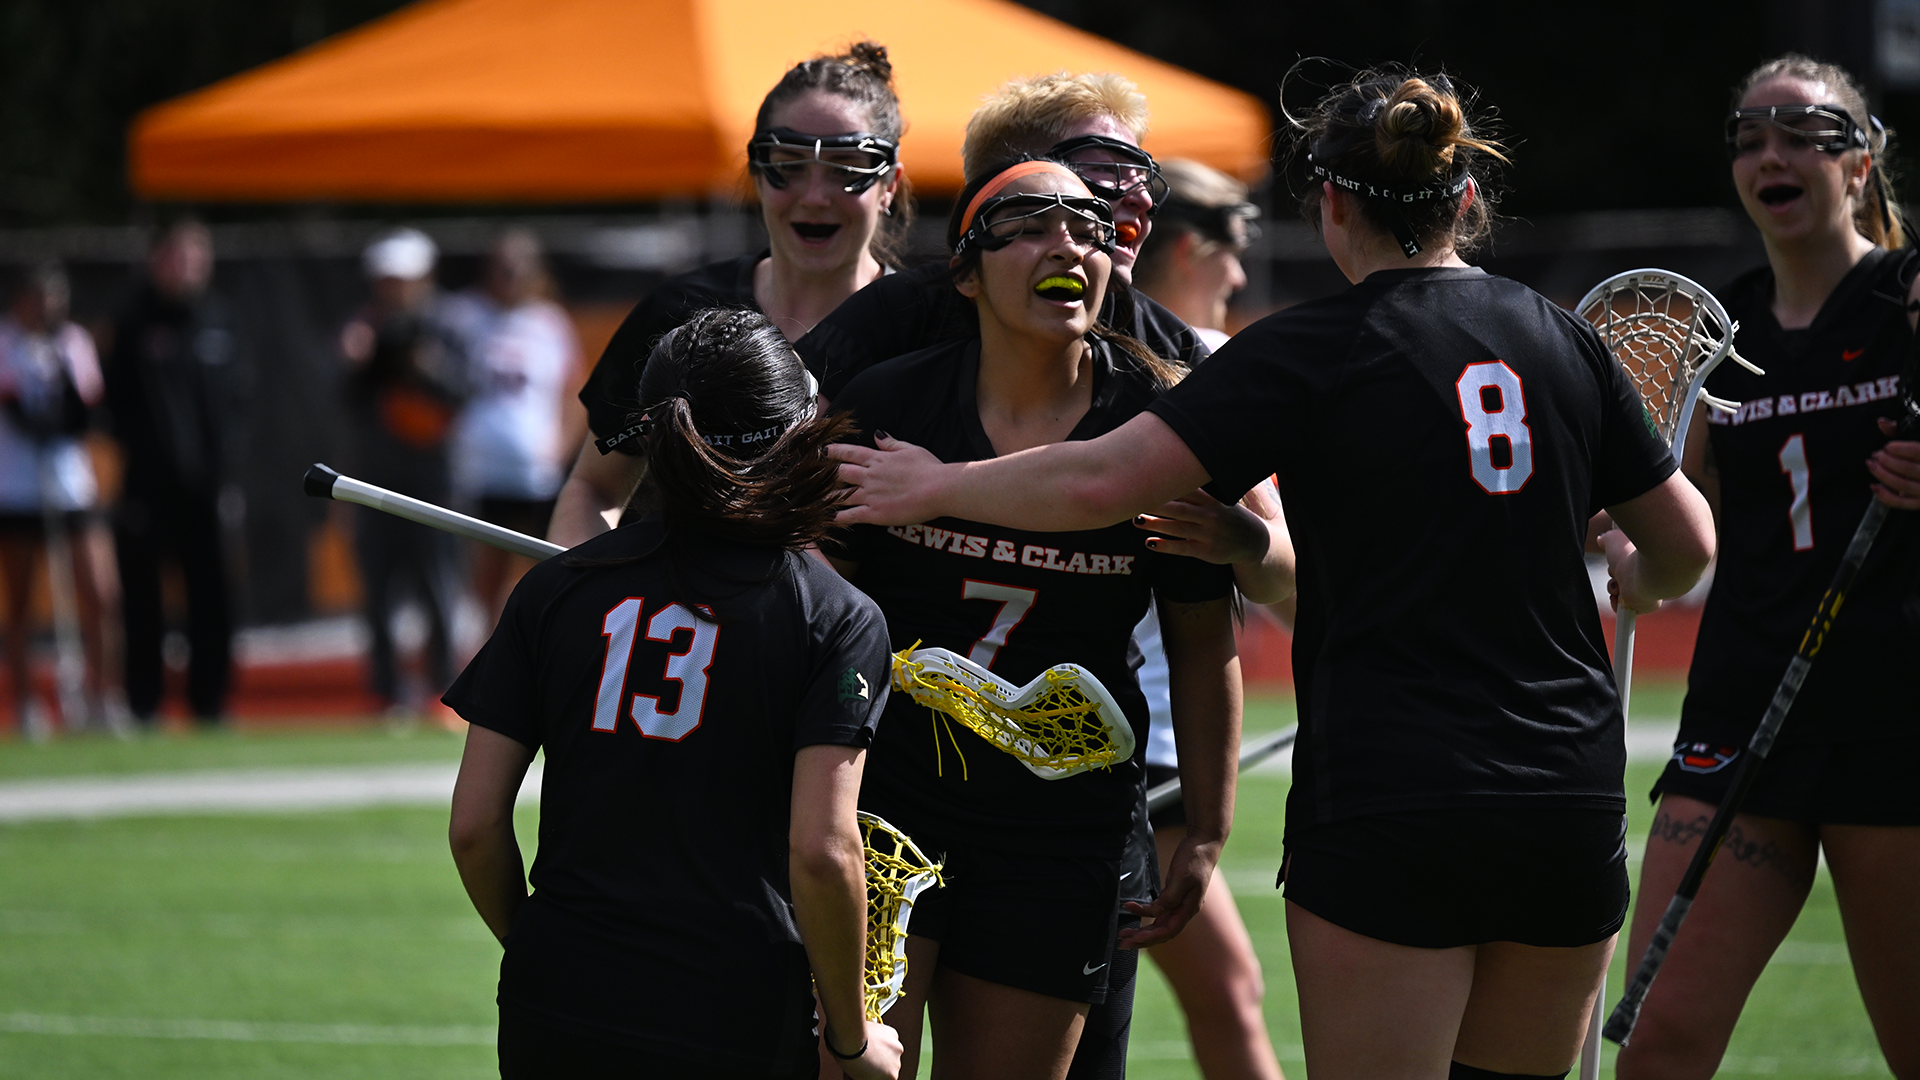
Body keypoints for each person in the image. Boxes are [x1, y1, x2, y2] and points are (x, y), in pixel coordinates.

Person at [831, 69, 1719, 1080]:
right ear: (1466, 201)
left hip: (1391, 789)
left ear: (1330, 205)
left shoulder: (1306, 348)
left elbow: (1104, 482)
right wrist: (1640, 583)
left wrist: (937, 484)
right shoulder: (1562, 338)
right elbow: (1686, 545)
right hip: (1565, 796)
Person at [804, 71, 1293, 1080]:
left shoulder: (1157, 423)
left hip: (1064, 821)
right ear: (968, 273)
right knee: (851, 1067)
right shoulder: (889, 395)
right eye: (1027, 224)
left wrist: (1205, 828)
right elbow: (806, 591)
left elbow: (1206, 640)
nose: (1066, 243)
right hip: (892, 797)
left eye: (1085, 226)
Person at [445, 308, 902, 1080]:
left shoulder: (556, 588)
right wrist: (851, 1040)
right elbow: (822, 852)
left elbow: (473, 826)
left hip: (556, 995)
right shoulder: (833, 614)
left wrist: (541, 947)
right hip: (733, 1000)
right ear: (797, 432)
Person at [1613, 55, 1920, 1080]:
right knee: (1656, 1043)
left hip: (1895, 720)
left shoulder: (1907, 302)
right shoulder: (1720, 335)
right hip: (1743, 717)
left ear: (1862, 162)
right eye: (1750, 135)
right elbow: (1669, 536)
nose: (1771, 154)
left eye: (1803, 133)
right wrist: (1627, 550)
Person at [547, 41, 908, 548]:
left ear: (889, 185)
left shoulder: (930, 330)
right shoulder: (677, 313)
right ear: (757, 173)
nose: (815, 194)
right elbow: (593, 486)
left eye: (848, 167)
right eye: (789, 162)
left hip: (845, 626)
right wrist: (577, 598)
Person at [1128, 158, 1285, 1080]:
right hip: (1142, 731)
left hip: (1077, 714)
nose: (1236, 279)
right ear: (1188, 247)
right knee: (1228, 989)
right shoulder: (1208, 361)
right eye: (1231, 255)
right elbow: (1274, 556)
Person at [795, 71, 1210, 401]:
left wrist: (941, 486)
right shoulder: (902, 313)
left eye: (1143, 177)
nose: (1141, 198)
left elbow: (1263, 504)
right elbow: (773, 454)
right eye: (1108, 170)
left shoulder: (1168, 348)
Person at [104, 220, 243, 726]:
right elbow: (115, 404)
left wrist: (226, 471)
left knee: (212, 596)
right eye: (178, 256)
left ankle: (211, 704)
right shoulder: (134, 322)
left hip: (207, 488)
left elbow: (239, 404)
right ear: (157, 259)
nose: (188, 267)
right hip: (148, 488)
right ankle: (144, 705)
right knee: (143, 600)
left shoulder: (219, 322)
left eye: (197, 256)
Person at [340, 227, 466, 718]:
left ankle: (445, 689)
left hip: (433, 475)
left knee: (438, 583)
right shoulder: (364, 328)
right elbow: (347, 398)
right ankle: (388, 690)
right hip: (377, 475)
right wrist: (359, 361)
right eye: (386, 279)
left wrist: (424, 368)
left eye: (403, 279)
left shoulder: (448, 326)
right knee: (379, 586)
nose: (394, 288)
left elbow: (462, 392)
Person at [441, 228, 582, 623]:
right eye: (503, 266)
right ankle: (489, 656)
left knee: (545, 573)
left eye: (519, 266)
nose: (510, 275)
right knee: (485, 578)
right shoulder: (463, 316)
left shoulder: (550, 324)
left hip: (535, 475)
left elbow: (574, 392)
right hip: (480, 474)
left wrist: (559, 447)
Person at [0, 261, 115, 736]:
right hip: (17, 485)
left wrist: (61, 382)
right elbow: (15, 411)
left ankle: (104, 698)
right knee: (22, 601)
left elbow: (85, 410)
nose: (48, 309)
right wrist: (34, 415)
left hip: (69, 483)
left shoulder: (72, 343)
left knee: (102, 594)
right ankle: (27, 704)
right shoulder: (5, 342)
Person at [1130, 158, 1261, 350]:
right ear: (1190, 251)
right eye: (1232, 255)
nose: (1238, 279)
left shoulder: (1094, 348)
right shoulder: (1212, 353)